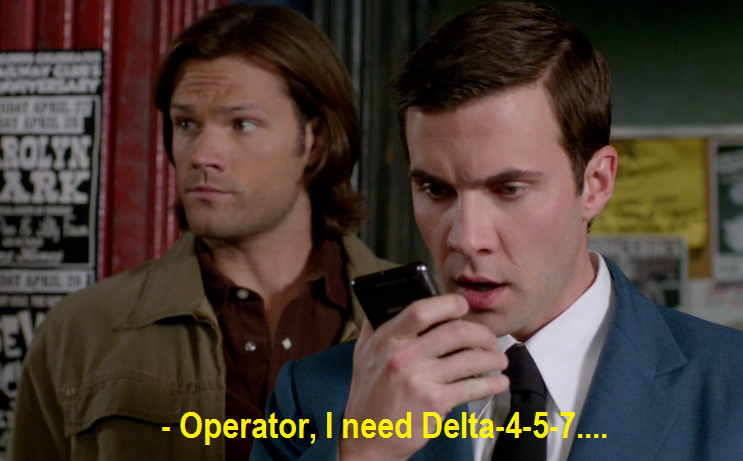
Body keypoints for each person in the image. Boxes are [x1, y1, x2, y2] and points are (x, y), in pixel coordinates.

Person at [250, 2, 743, 461]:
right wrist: (362, 453)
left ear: (596, 184)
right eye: (436, 190)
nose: (466, 238)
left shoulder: (732, 388)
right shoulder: (313, 395)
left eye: (509, 189)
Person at [8, 4, 394, 461]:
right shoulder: (82, 330)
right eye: (187, 124)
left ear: (315, 141)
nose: (202, 154)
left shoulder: (410, 321)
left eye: (242, 124)